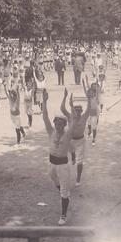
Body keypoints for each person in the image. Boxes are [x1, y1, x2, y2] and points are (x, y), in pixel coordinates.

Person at [42, 89, 74, 226]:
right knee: (55, 182)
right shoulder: (51, 131)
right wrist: (44, 101)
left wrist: (69, 103)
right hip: (51, 165)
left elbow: (72, 119)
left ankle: (63, 215)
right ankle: (64, 194)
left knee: (64, 191)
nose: (58, 125)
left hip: (63, 166)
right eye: (57, 123)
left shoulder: (68, 134)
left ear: (64, 125)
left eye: (61, 123)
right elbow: (44, 117)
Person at [60, 88, 91, 186]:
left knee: (79, 161)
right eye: (76, 109)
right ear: (73, 110)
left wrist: (88, 97)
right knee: (72, 152)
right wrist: (65, 97)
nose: (77, 111)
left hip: (80, 141)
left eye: (79, 110)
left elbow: (89, 107)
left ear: (81, 111)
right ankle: (73, 156)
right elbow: (62, 109)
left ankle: (78, 179)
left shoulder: (84, 116)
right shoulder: (70, 117)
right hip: (70, 141)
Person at [83, 78, 100, 146]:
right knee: (89, 124)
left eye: (92, 92)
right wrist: (84, 84)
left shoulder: (96, 97)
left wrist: (97, 82)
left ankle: (94, 139)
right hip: (88, 112)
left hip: (95, 113)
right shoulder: (88, 97)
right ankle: (89, 132)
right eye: (90, 93)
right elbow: (85, 90)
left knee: (94, 126)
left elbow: (97, 91)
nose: (90, 93)